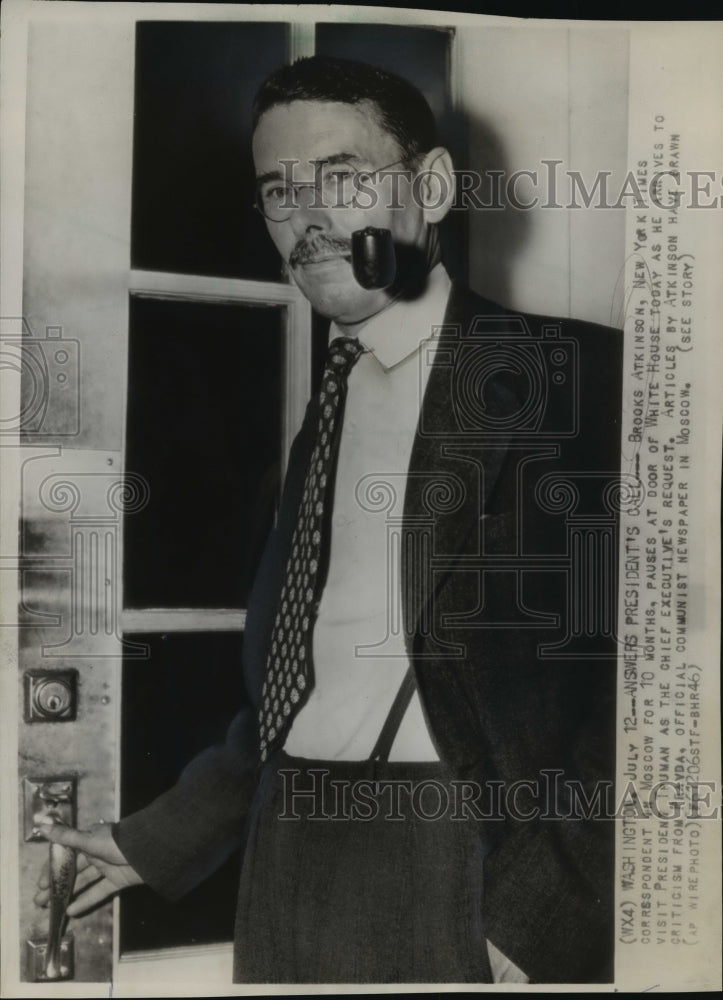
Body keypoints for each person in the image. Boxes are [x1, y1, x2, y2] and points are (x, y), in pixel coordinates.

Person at [37, 55, 622, 984]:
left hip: (462, 870)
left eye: (341, 178)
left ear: (430, 187)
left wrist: (538, 911)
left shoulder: (581, 380)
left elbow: (672, 686)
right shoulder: (326, 410)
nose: (305, 219)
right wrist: (160, 840)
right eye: (278, 190)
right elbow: (303, 677)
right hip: (289, 854)